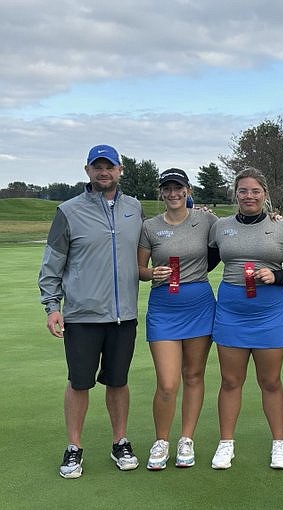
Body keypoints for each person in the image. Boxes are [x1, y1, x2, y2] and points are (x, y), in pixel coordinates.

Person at [38, 144, 142, 478]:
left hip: (123, 316)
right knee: (79, 383)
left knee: (118, 382)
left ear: (120, 169)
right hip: (82, 316)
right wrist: (52, 306)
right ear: (87, 171)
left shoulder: (135, 208)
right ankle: (74, 448)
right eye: (97, 167)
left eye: (109, 166)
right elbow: (52, 264)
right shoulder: (68, 211)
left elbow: (178, 221)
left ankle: (120, 442)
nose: (103, 172)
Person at [208, 167, 283, 470]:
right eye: (243, 191)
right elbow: (203, 261)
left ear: (265, 194)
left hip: (269, 310)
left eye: (255, 191)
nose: (249, 196)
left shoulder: (282, 227)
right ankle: (226, 444)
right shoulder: (220, 226)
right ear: (235, 194)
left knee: (270, 381)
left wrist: (276, 274)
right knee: (231, 381)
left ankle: (279, 444)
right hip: (232, 309)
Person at [137, 168, 219, 470]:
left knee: (194, 376)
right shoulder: (150, 226)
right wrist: (150, 273)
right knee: (168, 383)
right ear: (161, 192)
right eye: (167, 188)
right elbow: (139, 269)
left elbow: (235, 233)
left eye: (178, 188)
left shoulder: (207, 220)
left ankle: (187, 439)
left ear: (188, 189)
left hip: (199, 305)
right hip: (163, 308)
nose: (173, 193)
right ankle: (161, 441)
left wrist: (272, 217)